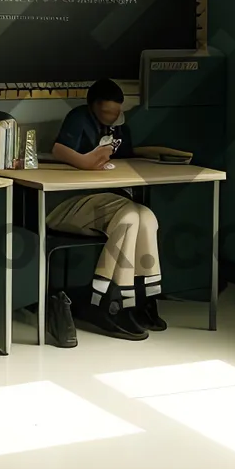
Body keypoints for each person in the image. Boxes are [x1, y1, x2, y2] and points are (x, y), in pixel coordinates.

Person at [45, 78, 165, 343]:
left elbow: (126, 157)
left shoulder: (120, 126)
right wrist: (85, 162)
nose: (111, 117)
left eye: (115, 112)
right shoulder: (79, 118)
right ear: (93, 106)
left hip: (108, 198)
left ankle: (142, 298)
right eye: (105, 112)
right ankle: (109, 303)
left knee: (146, 216)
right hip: (72, 201)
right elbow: (59, 150)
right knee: (129, 217)